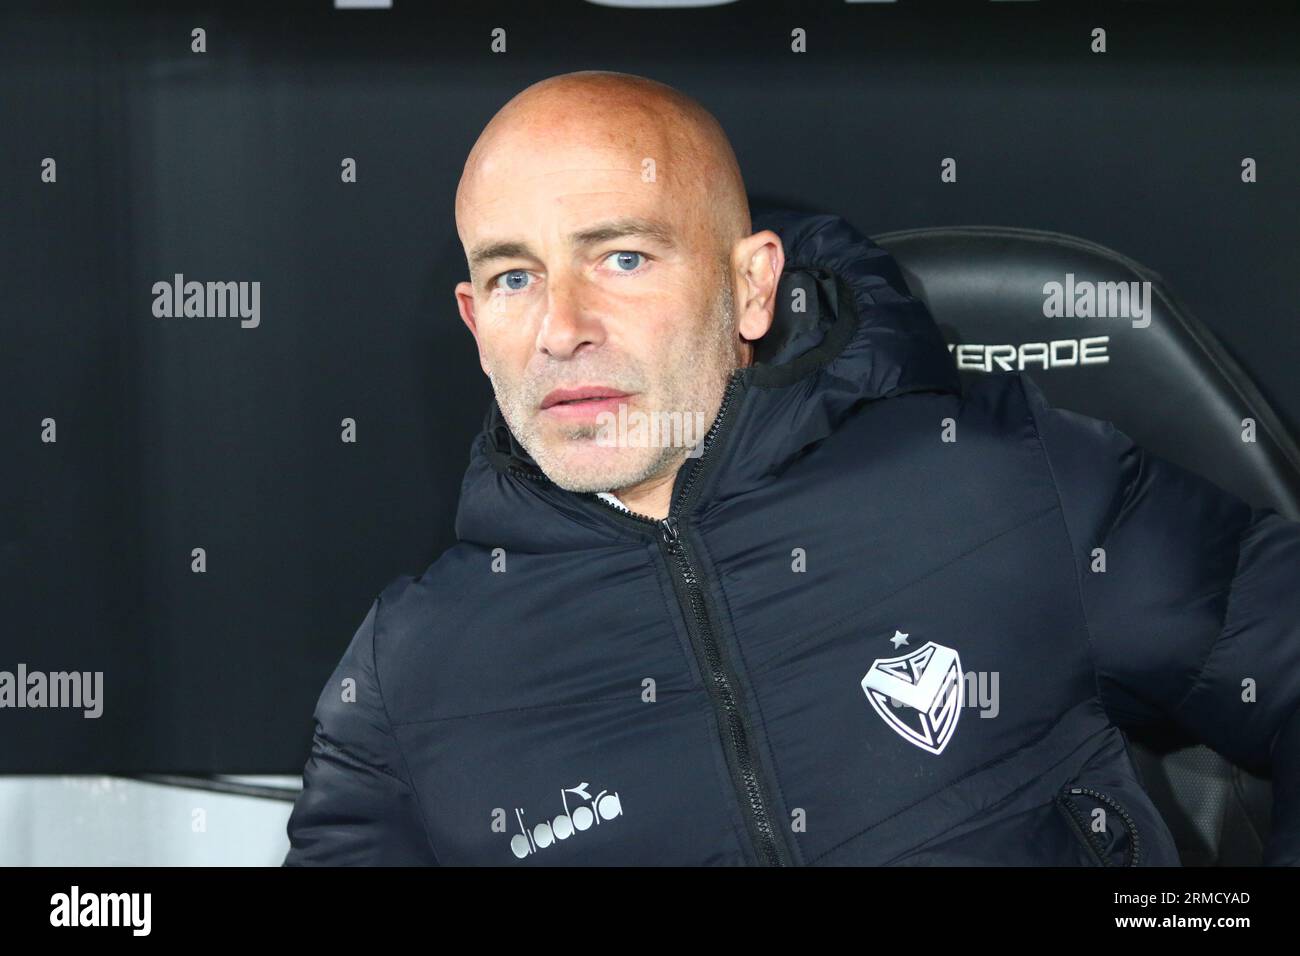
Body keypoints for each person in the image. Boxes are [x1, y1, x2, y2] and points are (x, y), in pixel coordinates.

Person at [283, 70, 1300, 866]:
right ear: (475, 324)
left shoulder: (999, 482)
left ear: (751, 287)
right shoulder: (407, 674)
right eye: (513, 276)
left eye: (622, 258)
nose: (561, 328)